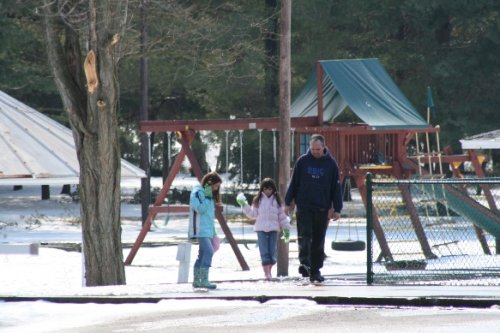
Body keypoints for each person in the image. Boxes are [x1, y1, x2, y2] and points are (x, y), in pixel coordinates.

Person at [284, 133, 343, 283]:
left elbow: (336, 188)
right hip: (304, 206)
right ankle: (305, 263)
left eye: (317, 149)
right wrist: (287, 202)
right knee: (305, 236)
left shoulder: (331, 164)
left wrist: (337, 208)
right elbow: (294, 183)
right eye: (312, 149)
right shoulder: (302, 162)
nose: (315, 152)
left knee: (318, 240)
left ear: (323, 147)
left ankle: (315, 270)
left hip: (322, 208)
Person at [237, 178, 291, 280]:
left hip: (273, 229)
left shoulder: (277, 201)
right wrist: (244, 204)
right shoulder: (258, 200)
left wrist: (286, 229)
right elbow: (252, 214)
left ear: (273, 189)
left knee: (272, 252)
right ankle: (266, 273)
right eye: (266, 189)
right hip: (261, 229)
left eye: (270, 189)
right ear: (262, 189)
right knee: (264, 251)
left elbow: (282, 217)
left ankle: (269, 271)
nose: (267, 191)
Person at [188, 171, 223, 290]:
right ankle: (203, 280)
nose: (216, 189)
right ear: (209, 183)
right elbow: (200, 209)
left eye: (217, 187)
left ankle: (197, 281)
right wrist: (207, 197)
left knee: (202, 254)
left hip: (207, 231)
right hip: (200, 230)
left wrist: (213, 233)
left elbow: (210, 217)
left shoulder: (209, 196)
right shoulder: (197, 192)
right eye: (215, 186)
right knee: (208, 251)